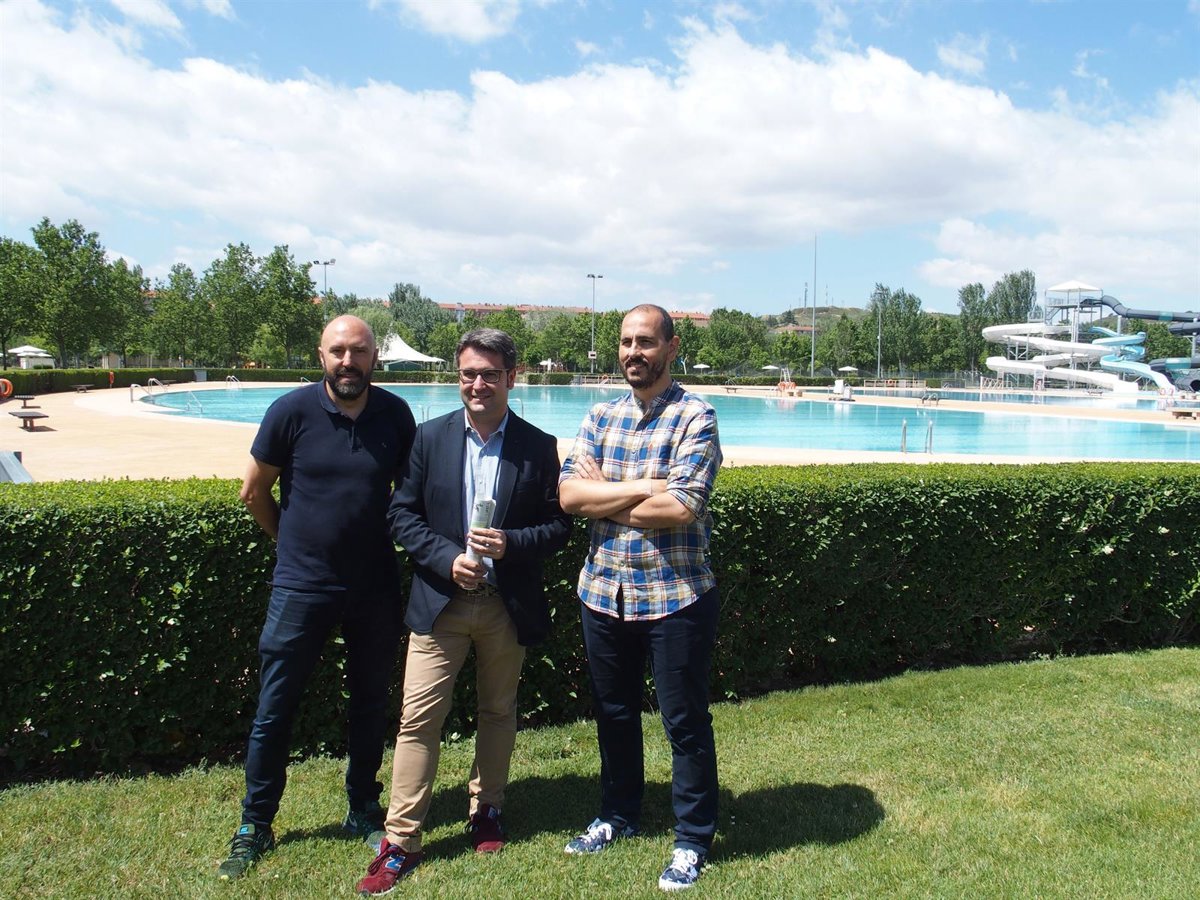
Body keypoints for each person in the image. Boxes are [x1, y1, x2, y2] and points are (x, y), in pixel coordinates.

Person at [356, 328, 572, 895]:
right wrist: (447, 559)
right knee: (417, 719)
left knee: (498, 712)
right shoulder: (429, 438)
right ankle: (401, 840)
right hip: (441, 603)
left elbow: (558, 527)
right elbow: (402, 515)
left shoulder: (538, 445)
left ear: (511, 378)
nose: (478, 384)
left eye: (490, 374)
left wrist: (511, 544)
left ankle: (487, 810)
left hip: (505, 605)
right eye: (469, 374)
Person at [217, 315, 417, 880]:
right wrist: (291, 544)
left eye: (359, 351)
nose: (348, 361)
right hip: (301, 587)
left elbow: (410, 494)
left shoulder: (395, 415)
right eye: (338, 351)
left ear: (374, 356)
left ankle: (362, 806)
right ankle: (255, 823)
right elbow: (253, 491)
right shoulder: (291, 411)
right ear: (321, 355)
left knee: (370, 703)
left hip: (375, 586)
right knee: (275, 706)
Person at [558, 304, 722, 893]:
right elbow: (569, 498)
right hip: (604, 592)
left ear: (671, 348)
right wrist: (646, 486)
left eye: (646, 342)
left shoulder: (695, 417)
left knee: (684, 722)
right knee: (615, 714)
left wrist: (607, 493)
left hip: (676, 595)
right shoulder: (600, 415)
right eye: (627, 342)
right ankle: (619, 814)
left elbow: (680, 507)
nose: (634, 352)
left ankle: (692, 839)